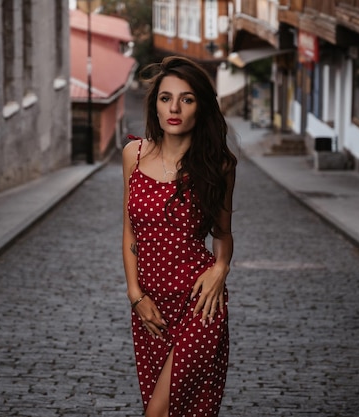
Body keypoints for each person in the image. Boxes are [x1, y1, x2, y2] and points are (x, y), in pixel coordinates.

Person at [121, 55, 237, 417]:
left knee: (158, 411)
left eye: (186, 99)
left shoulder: (217, 165)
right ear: (155, 105)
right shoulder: (133, 155)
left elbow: (223, 233)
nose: (174, 108)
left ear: (199, 107)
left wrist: (220, 268)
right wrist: (135, 295)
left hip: (200, 304)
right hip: (151, 307)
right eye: (165, 98)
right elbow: (128, 234)